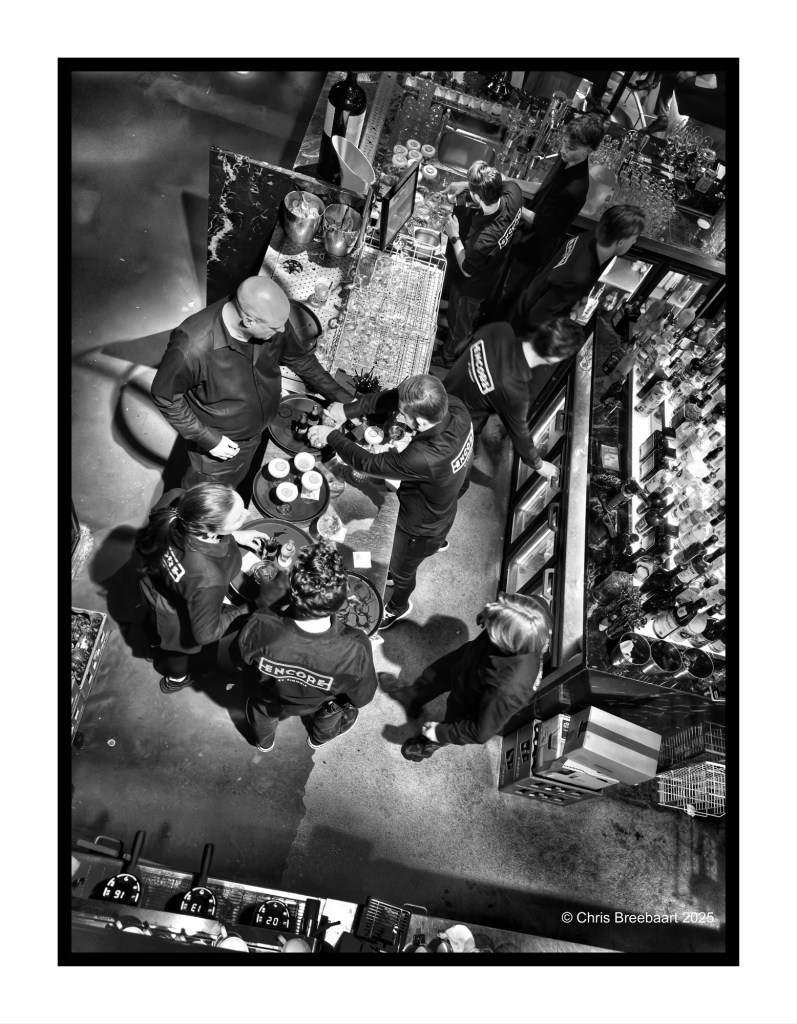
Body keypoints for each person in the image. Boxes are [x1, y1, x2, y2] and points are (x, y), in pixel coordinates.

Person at [151, 276, 351, 493]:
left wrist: (345, 400)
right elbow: (166, 398)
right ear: (248, 322)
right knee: (207, 500)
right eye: (275, 329)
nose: (283, 332)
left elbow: (299, 359)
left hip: (256, 431)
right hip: (222, 447)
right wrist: (208, 439)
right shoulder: (191, 347)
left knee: (234, 483)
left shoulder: (270, 320)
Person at [307, 375, 474, 630]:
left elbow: (370, 464)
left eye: (403, 414)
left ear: (418, 421)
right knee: (435, 530)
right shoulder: (456, 407)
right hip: (445, 504)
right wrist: (348, 410)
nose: (399, 415)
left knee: (401, 570)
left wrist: (332, 435)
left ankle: (398, 606)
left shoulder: (424, 457)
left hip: (418, 528)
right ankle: (437, 543)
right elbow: (395, 397)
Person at [221, 542, 377, 753]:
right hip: (318, 704)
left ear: (292, 590)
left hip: (269, 696)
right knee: (333, 715)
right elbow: (362, 697)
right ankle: (318, 739)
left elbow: (238, 661)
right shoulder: (356, 648)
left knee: (262, 715)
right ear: (342, 602)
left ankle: (264, 743)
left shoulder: (260, 625)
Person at [136, 483, 269, 693]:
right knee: (179, 649)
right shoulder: (209, 577)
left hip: (151, 584)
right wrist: (248, 608)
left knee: (154, 626)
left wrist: (234, 534)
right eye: (237, 518)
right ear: (209, 530)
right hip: (175, 616)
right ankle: (175, 680)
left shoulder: (176, 500)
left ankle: (153, 643)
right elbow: (205, 635)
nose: (246, 513)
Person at [399, 593, 553, 762]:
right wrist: (490, 612)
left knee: (453, 721)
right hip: (469, 658)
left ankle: (427, 744)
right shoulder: (534, 609)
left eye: (494, 625)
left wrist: (440, 732)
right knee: (432, 676)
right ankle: (415, 698)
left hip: (471, 700)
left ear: (508, 640)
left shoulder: (512, 687)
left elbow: (480, 732)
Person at [489, 114, 605, 324]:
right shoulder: (565, 161)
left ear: (589, 150)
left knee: (505, 299)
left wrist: (509, 200)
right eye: (564, 143)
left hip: (533, 250)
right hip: (521, 236)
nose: (563, 150)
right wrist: (509, 181)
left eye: (570, 148)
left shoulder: (575, 189)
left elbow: (542, 224)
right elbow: (542, 189)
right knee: (495, 288)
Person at [443, 317, 584, 483]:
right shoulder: (515, 392)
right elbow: (520, 435)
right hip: (457, 424)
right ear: (554, 359)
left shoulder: (500, 328)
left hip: (444, 390)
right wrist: (539, 465)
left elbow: (466, 345)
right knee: (457, 477)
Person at [436, 161, 523, 367]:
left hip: (473, 286)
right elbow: (504, 180)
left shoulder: (485, 238)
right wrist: (465, 184)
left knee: (461, 320)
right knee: (461, 317)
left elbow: (466, 269)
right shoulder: (514, 192)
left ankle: (449, 356)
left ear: (476, 197)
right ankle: (454, 335)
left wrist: (454, 236)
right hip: (495, 271)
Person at [511, 204, 646, 332]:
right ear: (621, 242)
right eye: (634, 238)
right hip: (526, 328)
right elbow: (537, 319)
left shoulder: (595, 240)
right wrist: (573, 317)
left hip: (533, 297)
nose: (634, 242)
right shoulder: (577, 278)